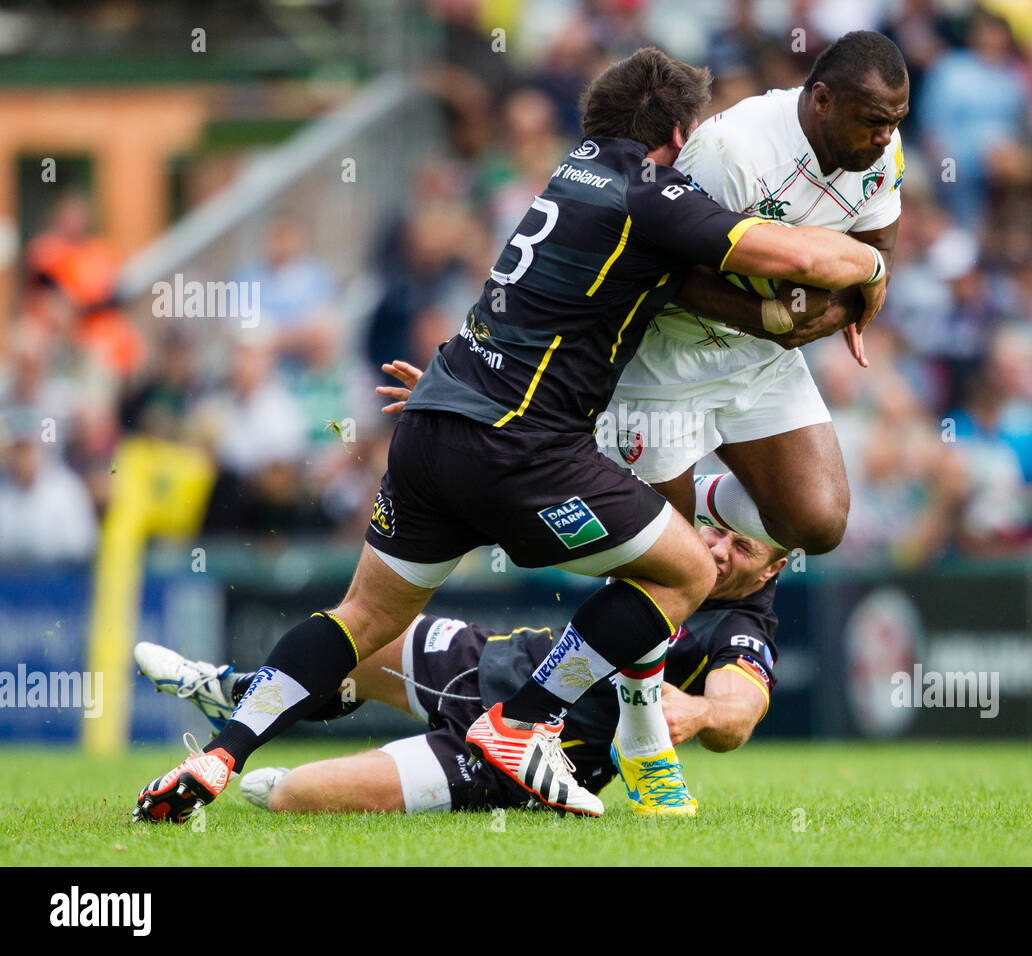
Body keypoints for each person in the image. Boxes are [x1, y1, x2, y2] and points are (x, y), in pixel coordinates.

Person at [132, 47, 889, 823]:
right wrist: (871, 261)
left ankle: (221, 754)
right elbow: (794, 251)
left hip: (436, 422)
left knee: (361, 617)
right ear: (676, 130)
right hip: (521, 447)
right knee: (685, 572)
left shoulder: (570, 173)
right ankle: (523, 725)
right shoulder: (654, 190)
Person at [134, 525, 784, 816]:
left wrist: (698, 712)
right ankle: (236, 696)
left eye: (742, 547)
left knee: (291, 799)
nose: (717, 550)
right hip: (492, 661)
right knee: (357, 632)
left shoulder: (741, 628)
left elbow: (738, 711)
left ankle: (262, 743)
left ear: (774, 567)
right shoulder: (675, 546)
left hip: (529, 760)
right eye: (715, 531)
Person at [603, 31, 909, 557]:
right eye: (875, 121)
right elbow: (663, 270)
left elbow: (876, 249)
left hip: (761, 355)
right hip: (666, 351)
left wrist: (830, 314)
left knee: (817, 525)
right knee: (663, 567)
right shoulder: (733, 151)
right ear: (823, 100)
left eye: (896, 122)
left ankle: (699, 496)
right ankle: (646, 497)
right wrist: (767, 315)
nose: (886, 138)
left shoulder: (882, 150)